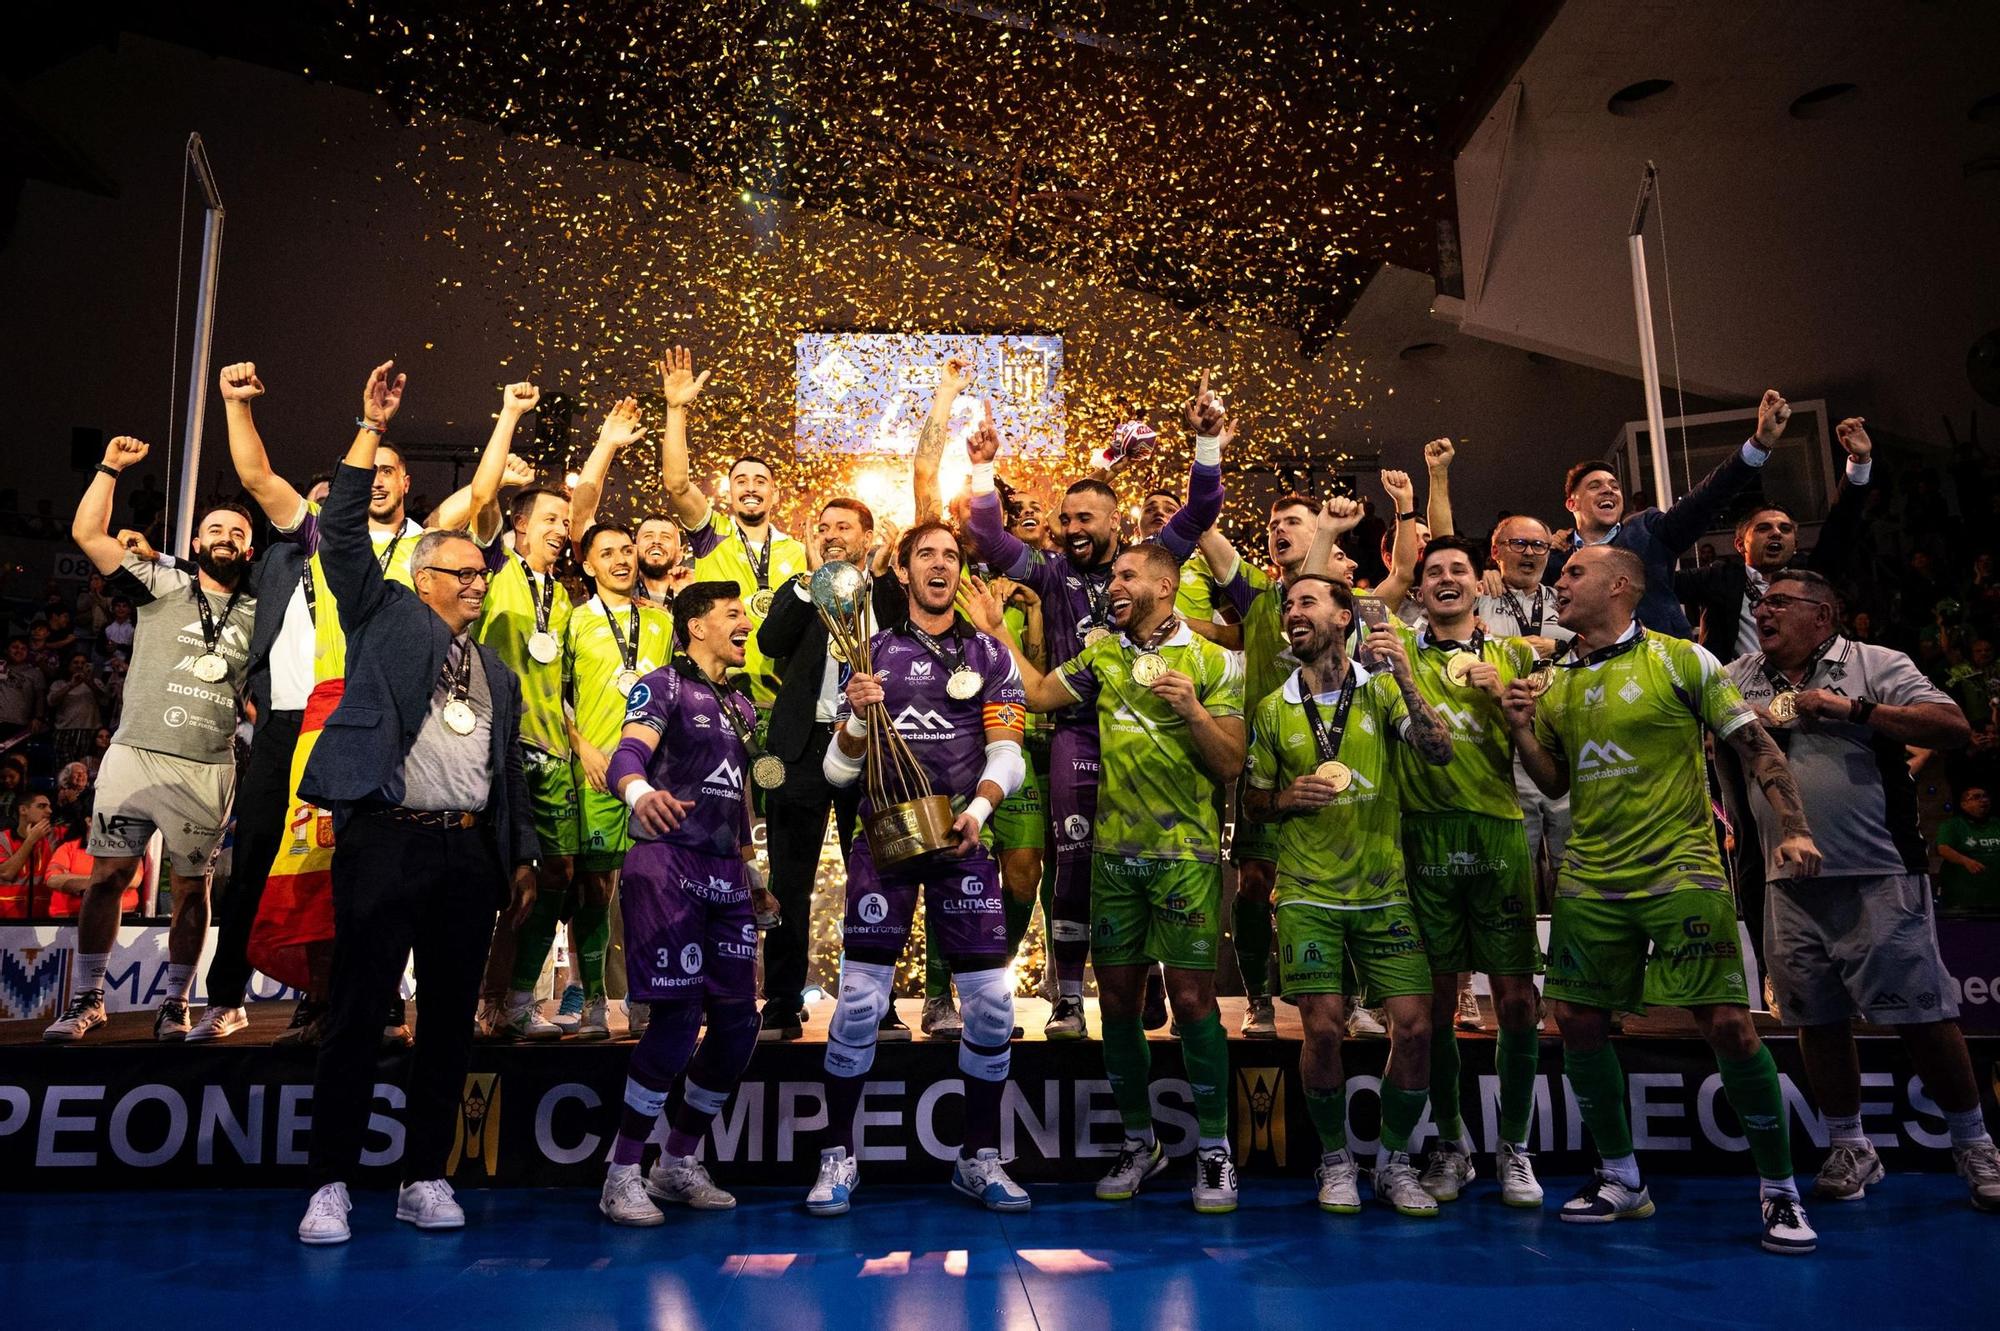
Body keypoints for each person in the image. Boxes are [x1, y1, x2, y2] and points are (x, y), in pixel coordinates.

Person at [1504, 544, 1822, 1254]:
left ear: (1621, 586)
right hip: (1590, 877)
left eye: (1574, 572)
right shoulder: (1553, 679)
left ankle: (1779, 1189)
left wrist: (1794, 830)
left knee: (1729, 1026)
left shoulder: (1684, 660)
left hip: (1681, 872)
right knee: (1576, 1021)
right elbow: (1553, 783)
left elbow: (1758, 749)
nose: (1560, 581)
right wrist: (1521, 725)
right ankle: (1620, 1175)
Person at [295, 386, 538, 1245]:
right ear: (424, 577)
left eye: (483, 573)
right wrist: (369, 427)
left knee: (446, 1023)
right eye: (463, 574)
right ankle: (330, 1182)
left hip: (466, 854)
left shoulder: (498, 675)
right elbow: (345, 527)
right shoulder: (382, 612)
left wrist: (517, 856)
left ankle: (423, 1174)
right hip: (386, 842)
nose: (478, 584)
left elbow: (504, 773)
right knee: (360, 1014)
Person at [982, 541, 1245, 1212]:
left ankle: (1214, 1150)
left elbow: (1231, 764)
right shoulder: (1102, 653)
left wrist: (1192, 709)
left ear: (1165, 582)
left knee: (1190, 1003)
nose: (1115, 585)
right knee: (1120, 1004)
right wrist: (993, 636)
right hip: (1116, 857)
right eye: (1114, 577)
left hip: (1184, 856)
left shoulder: (1216, 662)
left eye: (1128, 576)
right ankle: (1140, 1140)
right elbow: (1039, 695)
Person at [1725, 568, 1998, 1210]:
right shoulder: (1739, 676)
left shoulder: (1874, 662)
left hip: (1878, 870)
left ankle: (1974, 1142)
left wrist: (1853, 709)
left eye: (1781, 604)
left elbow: (1952, 726)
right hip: (1783, 878)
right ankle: (1851, 1144)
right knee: (1815, 1019)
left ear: (1823, 616)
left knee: (1924, 1015)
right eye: (1761, 604)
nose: (1765, 613)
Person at [967, 373, 1226, 1039]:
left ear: (1118, 520)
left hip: (1155, 733)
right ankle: (1066, 997)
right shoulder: (1050, 571)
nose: (1075, 528)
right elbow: (992, 541)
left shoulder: (1153, 558)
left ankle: (1150, 977)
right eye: (1069, 518)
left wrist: (1204, 440)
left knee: (1143, 860)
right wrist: (983, 467)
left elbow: (1202, 508)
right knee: (1076, 863)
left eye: (1089, 518)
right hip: (1078, 733)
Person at [195, 360, 433, 1046]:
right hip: (292, 721)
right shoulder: (322, 535)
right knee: (268, 859)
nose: (360, 488)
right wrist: (236, 405)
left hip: (371, 719)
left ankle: (372, 1001)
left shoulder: (420, 547)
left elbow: (474, 498)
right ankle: (236, 996)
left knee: (363, 868)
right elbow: (257, 478)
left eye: (384, 472)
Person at [808, 522, 1032, 1215]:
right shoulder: (868, 652)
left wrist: (981, 811)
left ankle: (977, 1157)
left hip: (963, 842)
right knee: (861, 1005)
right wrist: (853, 719)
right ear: (901, 571)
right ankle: (837, 1156)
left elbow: (1009, 752)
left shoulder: (992, 654)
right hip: (887, 844)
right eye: (926, 555)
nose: (940, 564)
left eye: (951, 556)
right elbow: (836, 770)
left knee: (993, 1005)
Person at [1241, 575, 1454, 1216]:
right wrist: (1283, 799)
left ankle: (1393, 1162)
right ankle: (1334, 1162)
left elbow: (1439, 751)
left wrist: (1407, 676)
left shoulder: (1382, 690)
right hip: (1308, 890)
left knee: (1415, 1029)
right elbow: (1251, 801)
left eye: (1308, 602)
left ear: (1342, 615)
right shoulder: (1274, 708)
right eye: (1289, 606)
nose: (1294, 613)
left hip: (1383, 889)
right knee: (1325, 1030)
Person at [44, 435, 256, 1043]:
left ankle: (177, 1003)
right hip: (135, 754)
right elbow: (89, 535)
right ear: (197, 542)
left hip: (208, 766)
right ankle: (88, 998)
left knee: (193, 888)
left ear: (249, 546)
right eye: (215, 528)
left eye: (238, 532)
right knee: (108, 876)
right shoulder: (161, 586)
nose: (226, 537)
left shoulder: (262, 606)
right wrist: (110, 467)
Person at [466, 394, 641, 1039]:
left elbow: (561, 688)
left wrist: (607, 445)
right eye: (548, 518)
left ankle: (514, 1001)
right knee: (512, 882)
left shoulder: (564, 602)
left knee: (560, 877)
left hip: (556, 756)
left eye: (563, 521)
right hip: (503, 752)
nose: (560, 527)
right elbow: (484, 498)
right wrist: (507, 417)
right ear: (517, 529)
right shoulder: (492, 571)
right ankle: (490, 1000)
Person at [595, 580, 765, 1224]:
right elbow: (625, 757)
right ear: (696, 626)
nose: (745, 623)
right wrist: (641, 794)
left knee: (738, 1025)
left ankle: (677, 1162)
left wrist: (753, 872)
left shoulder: (742, 707)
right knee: (674, 1020)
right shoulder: (663, 684)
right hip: (666, 867)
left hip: (727, 875)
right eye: (733, 614)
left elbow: (740, 797)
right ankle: (621, 1173)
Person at [1389, 536, 1548, 1207]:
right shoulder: (1394, 650)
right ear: (1419, 590)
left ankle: (1515, 1146)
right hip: (1423, 840)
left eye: (1459, 570)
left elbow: (1548, 757)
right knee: (1437, 1002)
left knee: (1516, 1000)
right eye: (1434, 573)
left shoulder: (1515, 654)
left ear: (1479, 585)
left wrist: (1514, 712)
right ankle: (1450, 1142)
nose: (1447, 579)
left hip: (1498, 837)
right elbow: (1356, 601)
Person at [1198, 491, 1367, 1036]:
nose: (1278, 529)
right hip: (1266, 755)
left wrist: (1331, 532)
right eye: (1273, 523)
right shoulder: (1253, 591)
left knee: (1344, 878)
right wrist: (1206, 454)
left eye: (1292, 521)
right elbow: (1204, 528)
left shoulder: (1342, 596)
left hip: (1336, 753)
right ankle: (1258, 999)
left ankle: (1354, 996)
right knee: (1254, 882)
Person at [754, 496, 902, 1042]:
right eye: (825, 527)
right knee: (790, 880)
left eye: (845, 527)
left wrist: (882, 574)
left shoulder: (888, 589)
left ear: (867, 537)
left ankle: (874, 1002)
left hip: (869, 746)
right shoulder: (804, 587)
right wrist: (812, 580)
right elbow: (770, 644)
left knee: (875, 877)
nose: (834, 534)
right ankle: (781, 1002)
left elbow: (901, 636)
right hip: (802, 750)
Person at [1544, 388, 1793, 637]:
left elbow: (1705, 499)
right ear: (1572, 504)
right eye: (1594, 486)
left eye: (1614, 486)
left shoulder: (1646, 531)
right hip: (1589, 669)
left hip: (1663, 667)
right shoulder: (1552, 558)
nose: (1608, 491)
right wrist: (1501, 581)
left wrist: (1759, 444)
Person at [564, 522, 677, 1038]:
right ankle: (591, 1002)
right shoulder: (573, 621)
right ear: (588, 565)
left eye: (627, 550)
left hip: (649, 780)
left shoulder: (661, 623)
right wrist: (581, 745)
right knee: (594, 890)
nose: (621, 559)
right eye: (606, 553)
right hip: (594, 772)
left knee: (650, 890)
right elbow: (555, 695)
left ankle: (643, 998)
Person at [657, 347, 809, 707]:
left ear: (775, 493)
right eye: (741, 480)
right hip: (718, 692)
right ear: (730, 492)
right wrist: (676, 409)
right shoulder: (712, 533)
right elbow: (677, 484)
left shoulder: (797, 551)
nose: (751, 487)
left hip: (782, 698)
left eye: (760, 481)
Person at [1677, 417, 1875, 664]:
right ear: (1740, 544)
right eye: (1763, 528)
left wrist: (1859, 462)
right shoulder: (1719, 578)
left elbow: (1841, 526)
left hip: (1807, 692)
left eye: (1784, 529)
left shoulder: (1810, 575)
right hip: (1734, 695)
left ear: (1795, 542)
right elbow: (1656, 583)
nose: (1775, 533)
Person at [1938, 785, 2000, 917]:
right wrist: (1965, 861)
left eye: (1985, 796)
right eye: (1976, 797)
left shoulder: (1997, 824)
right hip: (1964, 900)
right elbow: (1943, 849)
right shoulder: (1953, 825)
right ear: (1964, 804)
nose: (1983, 800)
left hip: (1995, 898)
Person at [633, 513, 689, 608]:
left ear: (679, 554)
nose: (656, 541)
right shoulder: (616, 592)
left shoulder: (692, 596)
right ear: (634, 549)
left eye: (666, 537)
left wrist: (691, 594)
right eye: (648, 536)